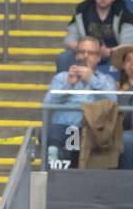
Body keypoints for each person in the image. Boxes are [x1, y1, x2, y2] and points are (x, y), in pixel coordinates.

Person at [44, 37, 116, 165]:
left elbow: (112, 103)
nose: (85, 56)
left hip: (92, 131)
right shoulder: (61, 78)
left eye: (91, 53)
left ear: (99, 58)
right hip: (63, 129)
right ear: (76, 55)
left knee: (72, 138)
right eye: (82, 52)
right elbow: (47, 104)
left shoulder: (105, 80)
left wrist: (92, 79)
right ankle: (55, 169)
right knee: (56, 134)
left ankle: (62, 167)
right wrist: (68, 86)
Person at [62, 0, 133, 71]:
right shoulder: (82, 10)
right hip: (86, 55)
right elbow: (69, 39)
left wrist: (110, 51)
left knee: (127, 57)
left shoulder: (123, 12)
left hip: (112, 56)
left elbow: (129, 43)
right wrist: (85, 50)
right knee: (65, 57)